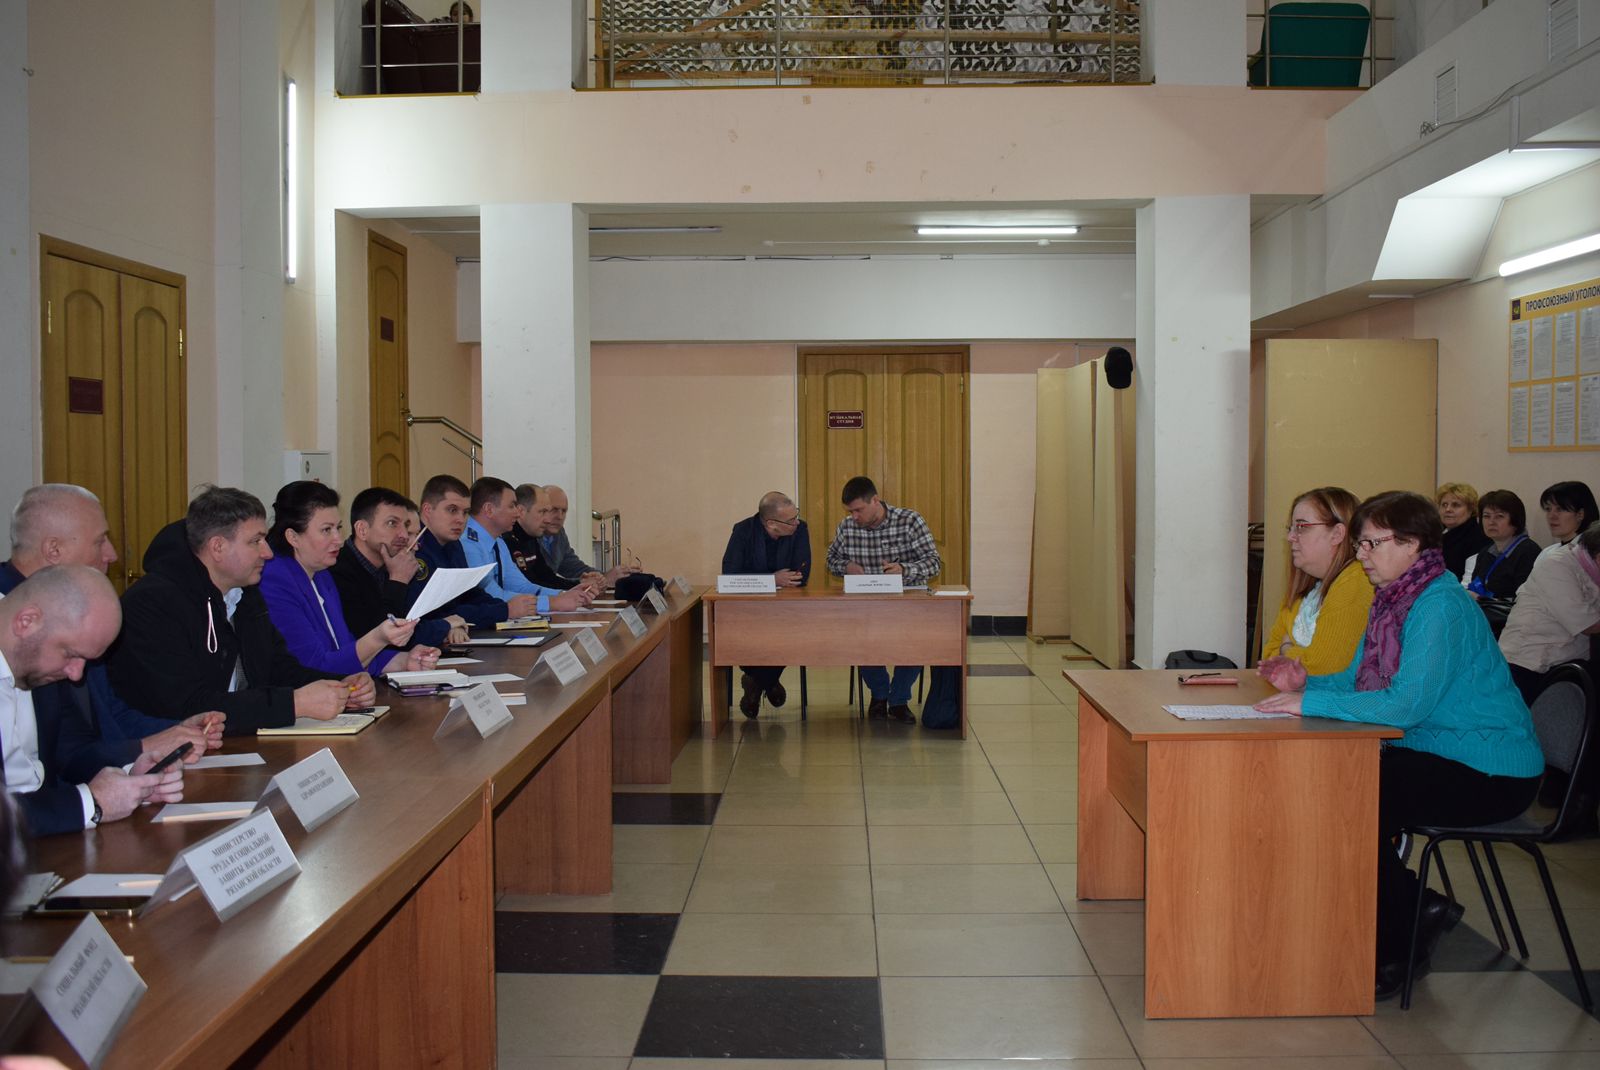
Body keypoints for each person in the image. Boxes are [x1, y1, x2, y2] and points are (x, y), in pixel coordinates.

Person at [1255, 491, 1543, 1000]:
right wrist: (1306, 685)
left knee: (1352, 800)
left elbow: (1405, 705)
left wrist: (1311, 702)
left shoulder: (1440, 605)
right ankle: (1414, 909)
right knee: (1345, 791)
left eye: (1373, 543)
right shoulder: (1394, 598)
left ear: (1412, 544)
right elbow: (1358, 681)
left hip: (1490, 769)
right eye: (1360, 543)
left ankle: (1398, 945)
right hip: (1437, 751)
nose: (1361, 555)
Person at [110, 486, 365, 734]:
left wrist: (340, 685)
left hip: (237, 740)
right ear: (218, 547)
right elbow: (187, 705)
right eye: (256, 541)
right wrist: (294, 704)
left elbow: (278, 668)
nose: (267, 552)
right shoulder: (152, 604)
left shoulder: (245, 593)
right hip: (173, 748)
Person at [2, 485, 221, 775]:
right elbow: (60, 758)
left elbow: (109, 715)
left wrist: (177, 731)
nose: (112, 554)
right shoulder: (22, 631)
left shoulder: (82, 612)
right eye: (100, 540)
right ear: (54, 549)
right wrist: (143, 746)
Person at [1, 567, 184, 835]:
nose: (76, 674)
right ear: (26, 622)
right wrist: (90, 803)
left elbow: (71, 753)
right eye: (71, 654)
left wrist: (132, 778)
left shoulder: (41, 659)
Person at [259, 481, 439, 678]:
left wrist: (404, 660)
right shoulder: (274, 580)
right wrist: (378, 638)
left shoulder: (322, 573)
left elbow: (345, 648)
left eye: (338, 527)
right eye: (326, 530)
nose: (338, 539)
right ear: (293, 537)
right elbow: (315, 667)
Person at [825, 476, 941, 723]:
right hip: (865, 605)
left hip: (906, 603)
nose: (854, 516)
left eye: (858, 510)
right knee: (860, 638)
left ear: (875, 501)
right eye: (850, 511)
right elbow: (831, 560)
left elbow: (934, 563)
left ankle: (898, 699)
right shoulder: (847, 527)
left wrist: (904, 569)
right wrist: (846, 566)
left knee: (916, 640)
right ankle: (879, 695)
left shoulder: (909, 521)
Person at [328, 486, 468, 650]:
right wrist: (398, 581)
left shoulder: (390, 564)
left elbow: (417, 620)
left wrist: (448, 625)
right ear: (362, 530)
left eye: (405, 525)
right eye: (392, 523)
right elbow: (381, 639)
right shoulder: (338, 572)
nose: (403, 535)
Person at [1258, 486, 1372, 674]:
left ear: (1337, 534)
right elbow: (1268, 656)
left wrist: (1286, 648)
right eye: (1290, 528)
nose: (1290, 537)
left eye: (1301, 527)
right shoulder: (1307, 590)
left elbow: (1324, 668)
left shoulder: (1357, 580)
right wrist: (1297, 655)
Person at [721, 491, 812, 717]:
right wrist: (772, 580)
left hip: (785, 608)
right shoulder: (743, 531)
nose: (796, 522)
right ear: (771, 523)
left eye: (796, 515)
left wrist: (770, 580)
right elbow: (730, 574)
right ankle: (769, 682)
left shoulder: (800, 529)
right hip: (749, 608)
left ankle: (756, 682)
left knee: (789, 635)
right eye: (790, 520)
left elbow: (801, 574)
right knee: (747, 635)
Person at [1498, 525, 1600, 705]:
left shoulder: (1591, 569)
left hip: (1567, 662)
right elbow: (1589, 625)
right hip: (1529, 662)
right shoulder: (1557, 565)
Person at [462, 477, 594, 614]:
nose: (517, 513)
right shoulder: (468, 543)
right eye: (512, 506)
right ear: (489, 510)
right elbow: (491, 596)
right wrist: (552, 603)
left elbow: (521, 586)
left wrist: (563, 594)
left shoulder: (498, 542)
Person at [411, 474, 519, 628]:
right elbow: (437, 611)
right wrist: (503, 611)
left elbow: (468, 593)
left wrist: (504, 607)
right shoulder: (414, 547)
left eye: (465, 512)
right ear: (428, 510)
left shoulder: (453, 544)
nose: (461, 520)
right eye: (452, 510)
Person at [534, 485, 635, 587]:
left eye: (564, 511)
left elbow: (575, 568)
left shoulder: (559, 533)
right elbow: (539, 581)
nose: (559, 517)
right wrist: (601, 580)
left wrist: (613, 576)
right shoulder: (529, 537)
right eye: (554, 510)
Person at [1465, 489, 1540, 601]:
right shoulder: (1485, 552)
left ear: (1515, 520)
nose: (1491, 522)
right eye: (1486, 516)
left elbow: (1525, 600)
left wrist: (1483, 600)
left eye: (1499, 516)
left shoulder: (1528, 552)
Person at [505, 483, 583, 591]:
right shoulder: (506, 540)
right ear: (521, 511)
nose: (547, 520)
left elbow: (546, 577)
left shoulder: (530, 536)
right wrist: (564, 594)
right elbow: (526, 586)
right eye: (542, 512)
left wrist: (580, 585)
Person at [1536, 480, 1598, 559]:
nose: (1551, 516)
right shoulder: (1547, 552)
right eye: (1548, 509)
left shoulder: (1591, 554)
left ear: (1580, 514)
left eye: (1560, 509)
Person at [1436, 482, 1484, 580]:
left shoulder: (1477, 537)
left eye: (1455, 505)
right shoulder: (1434, 532)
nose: (1448, 509)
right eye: (1444, 505)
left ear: (1471, 510)